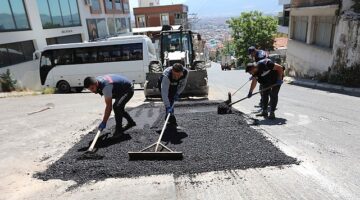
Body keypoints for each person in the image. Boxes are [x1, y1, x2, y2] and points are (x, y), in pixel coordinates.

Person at [159, 63, 188, 127]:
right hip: (164, 85)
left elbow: (183, 85)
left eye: (178, 75)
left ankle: (169, 118)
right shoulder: (166, 76)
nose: (177, 77)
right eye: (175, 75)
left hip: (174, 84)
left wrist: (177, 93)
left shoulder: (185, 73)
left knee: (172, 99)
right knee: (169, 100)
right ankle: (170, 117)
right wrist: (167, 106)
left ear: (181, 72)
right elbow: (164, 93)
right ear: (172, 71)